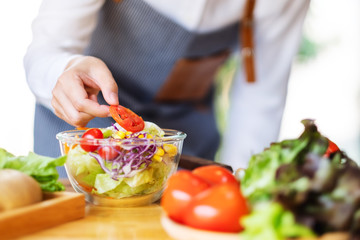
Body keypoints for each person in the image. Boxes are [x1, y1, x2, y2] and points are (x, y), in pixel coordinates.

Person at [24, 0, 310, 177]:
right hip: (87, 128)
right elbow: (48, 49)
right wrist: (62, 73)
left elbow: (260, 98)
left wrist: (242, 183)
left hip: (185, 138)